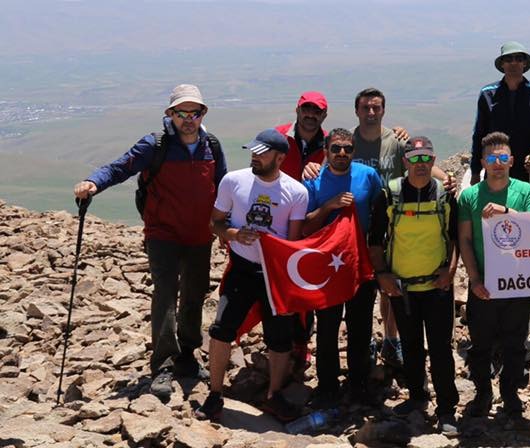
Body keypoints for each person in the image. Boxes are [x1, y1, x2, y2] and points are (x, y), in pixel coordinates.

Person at [73, 84, 226, 401]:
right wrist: (93, 183)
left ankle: (187, 356)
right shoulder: (154, 145)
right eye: (181, 113)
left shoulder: (211, 145)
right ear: (170, 114)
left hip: (199, 235)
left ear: (202, 114)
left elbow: (224, 187)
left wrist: (227, 227)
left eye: (194, 112)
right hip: (163, 234)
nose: (188, 119)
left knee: (195, 296)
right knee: (166, 294)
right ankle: (163, 365)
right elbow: (120, 167)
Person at [197, 129, 309, 423]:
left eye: (262, 152)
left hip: (275, 275)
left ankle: (274, 395)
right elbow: (215, 223)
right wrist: (233, 234)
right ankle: (214, 394)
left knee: (279, 338)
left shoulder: (296, 192)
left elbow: (293, 243)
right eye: (253, 151)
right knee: (221, 330)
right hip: (242, 270)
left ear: (280, 157)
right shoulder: (233, 181)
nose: (254, 157)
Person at [350, 86, 453, 370]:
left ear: (384, 110)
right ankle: (368, 341)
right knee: (362, 291)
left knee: (390, 286)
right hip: (357, 226)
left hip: (394, 223)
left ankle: (390, 340)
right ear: (356, 111)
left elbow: (418, 165)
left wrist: (447, 178)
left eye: (377, 107)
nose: (371, 113)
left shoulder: (395, 142)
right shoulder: (350, 143)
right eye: (366, 108)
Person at [368, 136, 461, 435]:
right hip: (402, 287)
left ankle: (447, 408)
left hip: (437, 286)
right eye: (414, 159)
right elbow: (375, 240)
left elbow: (455, 237)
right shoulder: (390, 194)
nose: (420, 165)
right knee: (410, 345)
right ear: (405, 161)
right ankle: (418, 398)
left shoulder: (445, 196)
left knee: (441, 348)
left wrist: (450, 270)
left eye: (426, 159)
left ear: (433, 161)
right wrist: (382, 275)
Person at [458, 131, 530, 418]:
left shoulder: (525, 192)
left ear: (512, 161)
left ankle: (510, 394)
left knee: (515, 344)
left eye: (502, 157)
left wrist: (506, 211)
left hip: (517, 284)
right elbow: (465, 241)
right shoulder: (470, 196)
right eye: (492, 158)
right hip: (484, 285)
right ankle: (483, 393)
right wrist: (475, 280)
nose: (497, 163)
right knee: (480, 345)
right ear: (482, 161)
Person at [302, 128, 383, 407]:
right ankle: (327, 386)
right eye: (336, 148)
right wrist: (328, 207)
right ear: (326, 150)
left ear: (354, 151)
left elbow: (380, 210)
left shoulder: (367, 176)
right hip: (327, 267)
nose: (342, 154)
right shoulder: (314, 181)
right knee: (327, 328)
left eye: (347, 148)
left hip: (359, 264)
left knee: (360, 327)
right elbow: (305, 225)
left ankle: (359, 384)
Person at [470, 42, 530, 185]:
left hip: (527, 169)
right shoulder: (488, 94)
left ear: (525, 63)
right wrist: (475, 171)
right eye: (508, 59)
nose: (513, 63)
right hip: (495, 166)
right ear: (502, 64)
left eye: (518, 58)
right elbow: (479, 134)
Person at [277, 91, 329, 180]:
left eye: (317, 111)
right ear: (297, 110)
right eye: (306, 110)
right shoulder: (277, 136)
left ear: (324, 115)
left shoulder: (331, 144)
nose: (310, 115)